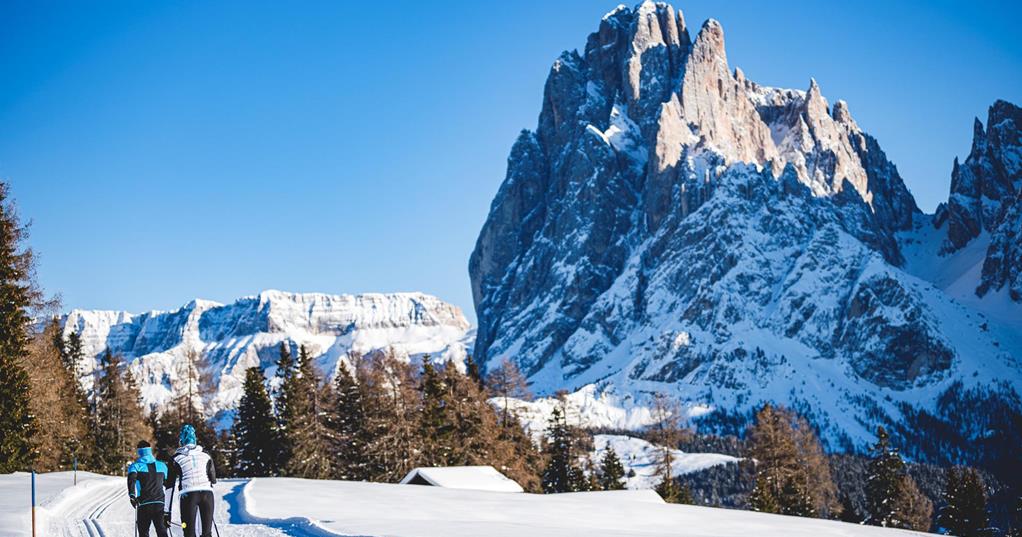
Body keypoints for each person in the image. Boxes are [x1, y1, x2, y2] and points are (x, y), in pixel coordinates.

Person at [164, 424, 217, 537]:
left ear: (181, 440)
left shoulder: (175, 458)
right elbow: (213, 479)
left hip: (188, 496)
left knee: (189, 533)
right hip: (207, 495)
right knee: (207, 533)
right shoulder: (206, 455)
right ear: (195, 439)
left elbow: (169, 486)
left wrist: (167, 512)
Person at [127, 440, 170, 537]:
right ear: (149, 450)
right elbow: (168, 485)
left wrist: (132, 496)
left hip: (144, 504)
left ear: (139, 451)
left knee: (143, 533)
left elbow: (131, 481)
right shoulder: (162, 466)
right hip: (160, 503)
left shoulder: (135, 466)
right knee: (161, 531)